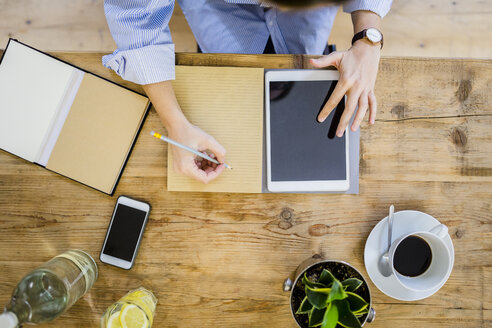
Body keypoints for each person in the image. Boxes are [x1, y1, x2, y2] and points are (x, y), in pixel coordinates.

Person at [103, 0, 392, 184]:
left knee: (307, 54)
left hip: (311, 12)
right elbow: (136, 20)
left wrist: (368, 37)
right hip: (217, 8)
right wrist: (175, 124)